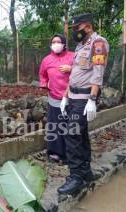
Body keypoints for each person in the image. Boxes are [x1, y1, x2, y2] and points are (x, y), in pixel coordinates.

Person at [58, 13, 109, 195]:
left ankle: (76, 176)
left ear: (87, 26)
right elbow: (75, 76)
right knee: (81, 134)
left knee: (71, 135)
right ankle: (86, 171)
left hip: (85, 99)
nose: (74, 32)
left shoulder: (98, 44)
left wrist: (93, 100)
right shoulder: (81, 45)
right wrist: (65, 96)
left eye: (76, 28)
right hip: (73, 97)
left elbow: (97, 74)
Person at [39, 34, 74, 163]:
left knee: (70, 126)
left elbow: (82, 71)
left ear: (64, 44)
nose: (56, 44)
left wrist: (71, 68)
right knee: (55, 126)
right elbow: (42, 75)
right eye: (53, 42)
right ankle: (55, 153)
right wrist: (44, 84)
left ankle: (69, 154)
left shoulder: (72, 56)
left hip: (71, 98)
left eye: (58, 42)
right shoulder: (46, 60)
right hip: (54, 98)